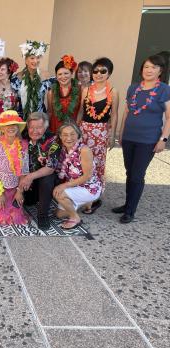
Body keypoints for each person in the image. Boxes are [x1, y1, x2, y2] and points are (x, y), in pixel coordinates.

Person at [113, 54, 170, 223]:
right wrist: (121, 133)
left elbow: (169, 117)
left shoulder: (164, 90)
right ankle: (127, 203)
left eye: (153, 67)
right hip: (129, 138)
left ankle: (130, 210)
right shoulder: (133, 88)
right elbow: (126, 112)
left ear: (160, 71)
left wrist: (163, 139)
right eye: (146, 67)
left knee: (137, 174)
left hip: (148, 140)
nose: (149, 70)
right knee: (129, 172)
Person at [78, 57, 119, 213]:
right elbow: (82, 111)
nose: (98, 74)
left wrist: (112, 134)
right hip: (84, 131)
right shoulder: (86, 90)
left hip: (101, 132)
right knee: (83, 162)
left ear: (109, 73)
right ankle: (82, 192)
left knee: (97, 164)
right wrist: (77, 129)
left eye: (103, 71)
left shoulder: (112, 91)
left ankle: (95, 198)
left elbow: (114, 114)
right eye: (95, 71)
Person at [54, 123, 101, 229]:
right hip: (75, 186)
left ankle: (75, 218)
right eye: (65, 135)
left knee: (58, 193)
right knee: (59, 214)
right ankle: (87, 203)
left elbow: (87, 176)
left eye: (72, 134)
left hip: (89, 187)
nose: (69, 138)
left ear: (78, 135)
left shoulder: (84, 150)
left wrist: (64, 185)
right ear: (60, 136)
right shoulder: (64, 149)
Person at [19, 112, 60, 230]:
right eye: (31, 127)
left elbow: (50, 168)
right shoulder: (24, 137)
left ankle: (43, 215)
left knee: (47, 179)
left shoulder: (53, 140)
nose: (34, 131)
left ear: (45, 127)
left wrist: (30, 177)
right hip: (28, 183)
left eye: (39, 127)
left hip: (44, 180)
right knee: (28, 202)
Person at [0, 110, 29, 224]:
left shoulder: (23, 146)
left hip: (15, 188)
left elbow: (23, 173)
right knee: (3, 219)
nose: (10, 127)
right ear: (2, 128)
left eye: (13, 125)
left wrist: (19, 192)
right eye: (7, 125)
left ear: (18, 127)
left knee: (16, 218)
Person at [12, 40, 54, 120]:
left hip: (40, 118)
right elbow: (13, 102)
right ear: (26, 60)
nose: (35, 61)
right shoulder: (16, 79)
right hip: (21, 119)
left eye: (37, 57)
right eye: (32, 58)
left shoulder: (46, 77)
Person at [47, 55, 81, 133]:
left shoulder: (80, 90)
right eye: (60, 74)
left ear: (71, 73)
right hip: (56, 129)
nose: (63, 77)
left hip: (73, 130)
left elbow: (81, 112)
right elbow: (50, 112)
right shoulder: (51, 93)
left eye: (66, 73)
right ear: (56, 76)